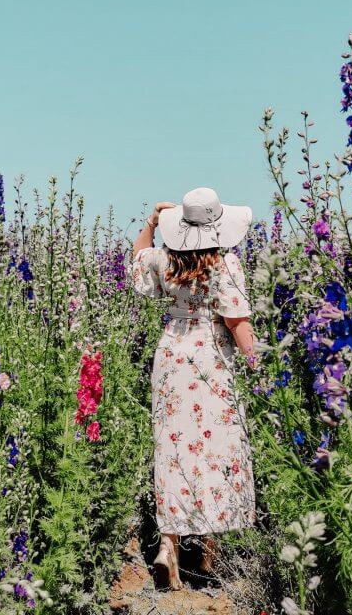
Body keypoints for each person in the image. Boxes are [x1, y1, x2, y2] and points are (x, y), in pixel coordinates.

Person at [131, 187, 259, 591]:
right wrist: (260, 367)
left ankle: (168, 547)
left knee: (172, 448)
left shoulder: (164, 261)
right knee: (215, 447)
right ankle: (207, 555)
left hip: (171, 357)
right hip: (211, 359)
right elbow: (238, 323)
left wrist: (152, 222)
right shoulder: (226, 266)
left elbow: (137, 259)